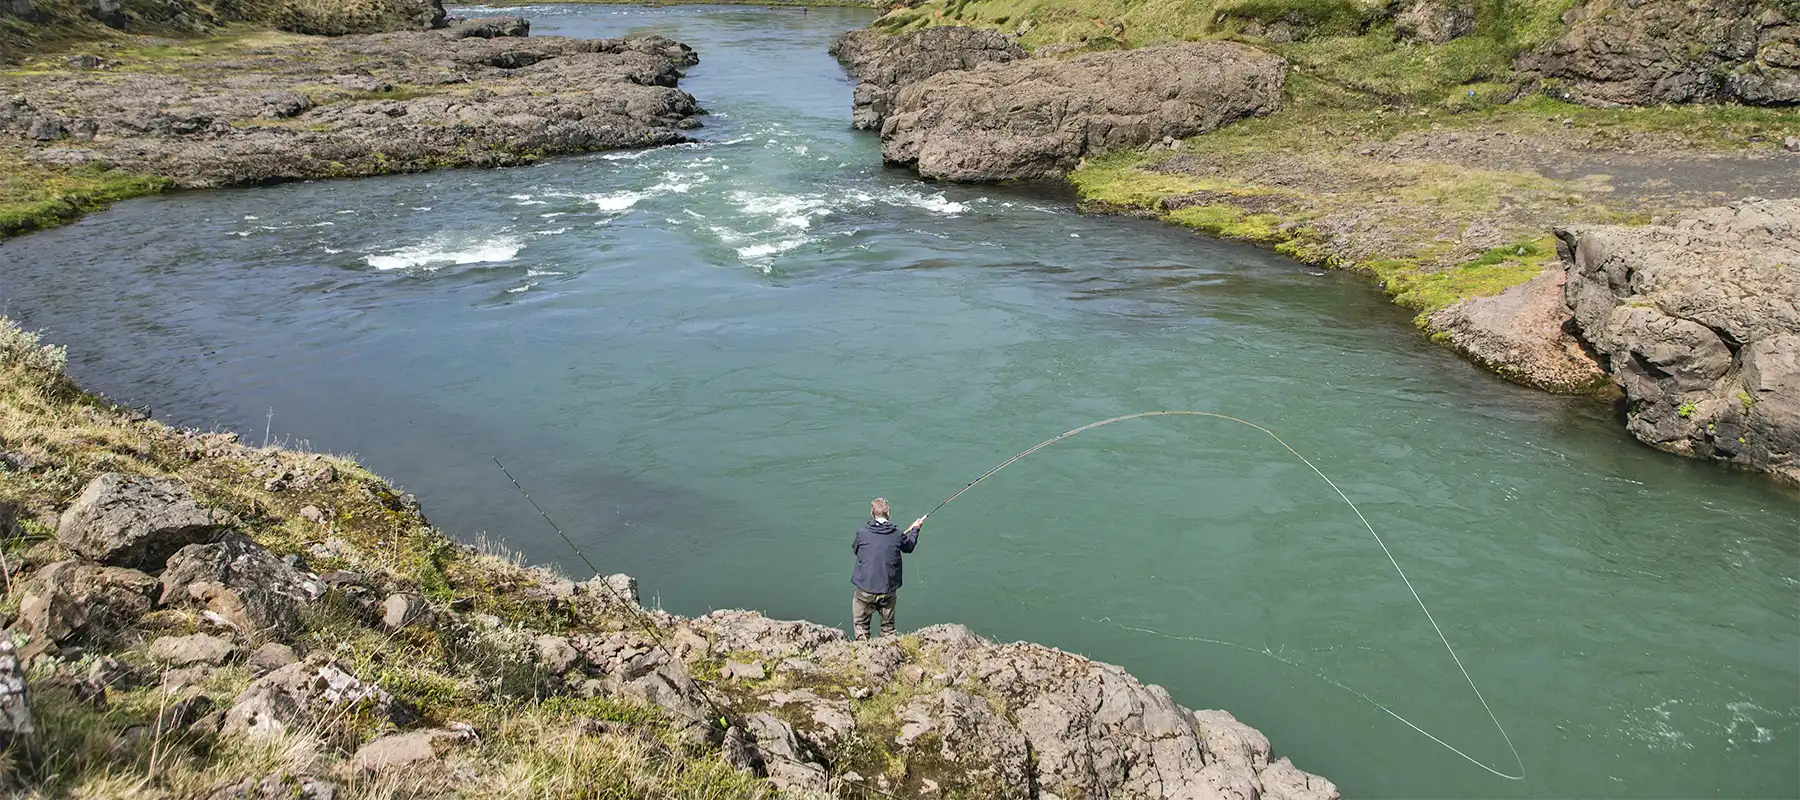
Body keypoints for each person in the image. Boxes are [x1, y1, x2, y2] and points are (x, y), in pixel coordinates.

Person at [850, 497, 924, 640]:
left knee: (861, 626)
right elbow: (909, 547)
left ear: (872, 513)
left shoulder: (862, 533)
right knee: (888, 628)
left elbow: (855, 549)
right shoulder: (897, 535)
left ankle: (862, 653)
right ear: (888, 513)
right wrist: (915, 529)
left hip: (865, 589)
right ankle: (889, 653)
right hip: (887, 590)